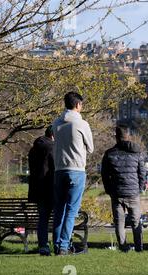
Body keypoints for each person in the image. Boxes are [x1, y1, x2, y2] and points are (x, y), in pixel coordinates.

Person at [52, 92, 93, 255]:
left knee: (59, 210)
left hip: (59, 169)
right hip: (76, 169)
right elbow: (91, 148)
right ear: (77, 105)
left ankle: (56, 244)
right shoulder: (82, 124)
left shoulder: (56, 123)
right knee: (71, 211)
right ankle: (63, 246)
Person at [101, 125, 146, 252]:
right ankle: (139, 247)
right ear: (128, 136)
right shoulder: (137, 152)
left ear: (116, 137)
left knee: (119, 222)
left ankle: (123, 247)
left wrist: (109, 190)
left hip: (117, 193)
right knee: (136, 222)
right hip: (133, 193)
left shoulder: (109, 154)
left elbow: (104, 175)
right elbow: (142, 173)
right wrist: (139, 189)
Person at [28, 126, 55, 256]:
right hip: (50, 187)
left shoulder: (33, 149)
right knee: (57, 218)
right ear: (54, 135)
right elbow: (55, 167)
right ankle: (58, 245)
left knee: (43, 219)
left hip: (37, 189)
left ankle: (43, 246)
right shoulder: (52, 148)